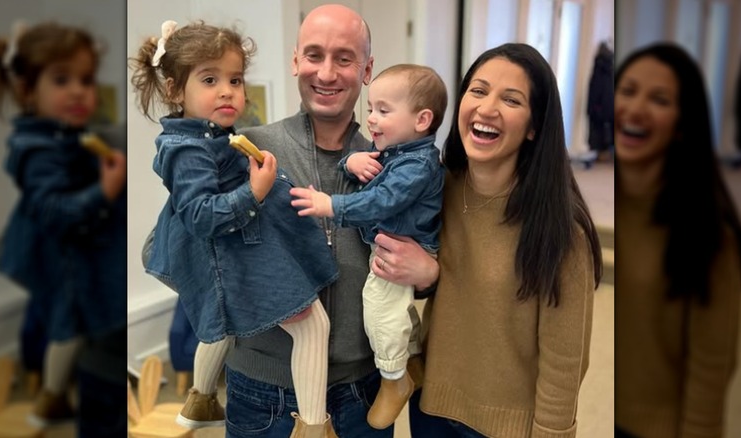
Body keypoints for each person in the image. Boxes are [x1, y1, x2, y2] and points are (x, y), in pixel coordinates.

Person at [373, 43, 603, 437]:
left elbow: (565, 360)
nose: (486, 108)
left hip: (506, 426)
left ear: (533, 126)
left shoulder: (560, 229)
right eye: (477, 91)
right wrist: (428, 275)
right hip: (430, 407)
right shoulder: (437, 189)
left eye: (511, 99)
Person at [130, 20, 339, 434]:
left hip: (239, 251)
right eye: (210, 79)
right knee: (314, 327)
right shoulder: (186, 148)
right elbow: (200, 215)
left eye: (235, 79)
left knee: (221, 320)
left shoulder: (210, 135)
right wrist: (254, 193)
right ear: (174, 90)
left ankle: (201, 400)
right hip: (237, 253)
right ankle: (314, 428)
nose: (227, 90)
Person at [221, 4, 401, 437]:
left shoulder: (394, 167)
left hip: (361, 394)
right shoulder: (250, 149)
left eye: (344, 58)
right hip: (262, 392)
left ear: (367, 69)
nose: (326, 73)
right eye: (315, 55)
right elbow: (178, 246)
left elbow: (424, 259)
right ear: (295, 60)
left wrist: (428, 271)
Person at [0, 21, 128, 428]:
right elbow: (55, 211)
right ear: (28, 92)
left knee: (66, 325)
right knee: (69, 325)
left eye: (86, 79)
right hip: (55, 254)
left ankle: (53, 393)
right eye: (61, 79)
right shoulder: (38, 149)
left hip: (67, 248)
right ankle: (49, 399)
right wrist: (104, 191)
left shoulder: (62, 135)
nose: (79, 91)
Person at [290, 63, 447, 430]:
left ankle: (395, 379)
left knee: (379, 312)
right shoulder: (397, 153)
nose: (372, 119)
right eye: (371, 108)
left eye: (384, 111)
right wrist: (351, 160)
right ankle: (411, 360)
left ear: (422, 120)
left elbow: (382, 201)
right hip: (389, 247)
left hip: (399, 252)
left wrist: (332, 205)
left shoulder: (418, 166)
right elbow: (369, 176)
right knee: (396, 313)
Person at [613, 43, 741, 438]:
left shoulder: (708, 235)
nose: (636, 109)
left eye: (659, 100)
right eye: (628, 90)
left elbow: (711, 372)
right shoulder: (591, 208)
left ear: (682, 124)